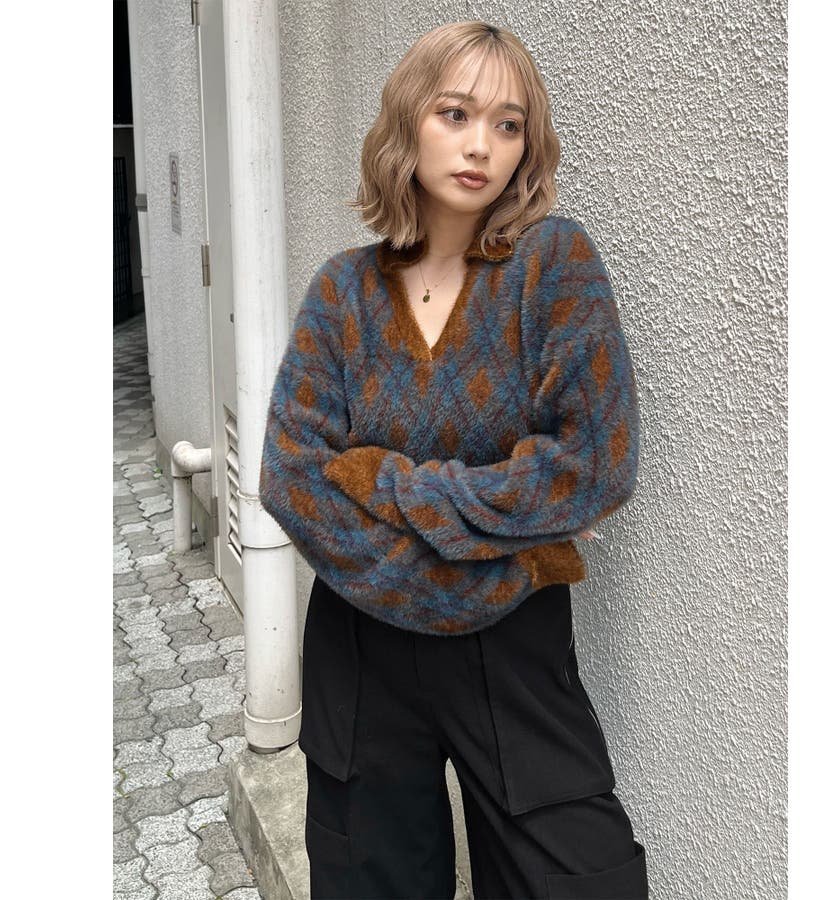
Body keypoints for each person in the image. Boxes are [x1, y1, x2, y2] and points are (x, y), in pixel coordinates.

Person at [259, 20, 648, 900]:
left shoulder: (554, 265)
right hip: (362, 642)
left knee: (581, 878)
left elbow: (594, 463)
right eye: (456, 113)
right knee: (370, 880)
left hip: (512, 644)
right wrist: (492, 557)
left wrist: (387, 482)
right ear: (409, 119)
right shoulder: (343, 290)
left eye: (509, 125)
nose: (482, 146)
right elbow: (292, 475)